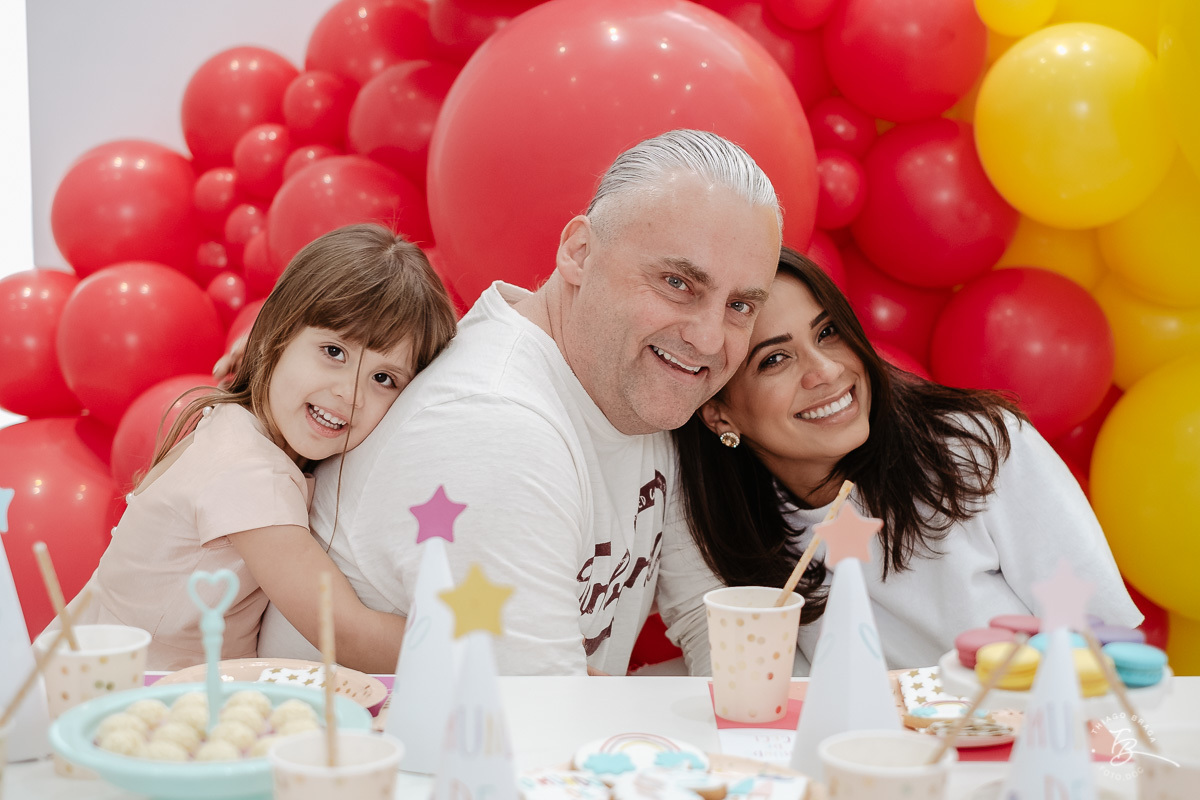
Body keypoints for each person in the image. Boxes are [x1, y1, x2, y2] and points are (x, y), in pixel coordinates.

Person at [257, 129, 783, 675]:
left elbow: (713, 628)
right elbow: (538, 725)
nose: (709, 339)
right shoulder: (496, 426)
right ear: (580, 252)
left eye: (741, 306)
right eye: (678, 283)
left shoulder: (631, 384)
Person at [658, 246, 1141, 675]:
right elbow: (767, 692)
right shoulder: (721, 526)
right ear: (720, 416)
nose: (826, 371)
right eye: (774, 360)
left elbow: (1110, 648)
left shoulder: (976, 448)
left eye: (827, 333)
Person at [67, 224, 458, 672]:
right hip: (122, 698)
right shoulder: (248, 474)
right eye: (334, 352)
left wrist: (274, 352)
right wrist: (480, 636)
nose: (350, 394)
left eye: (383, 378)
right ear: (276, 336)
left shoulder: (248, 420)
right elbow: (346, 634)